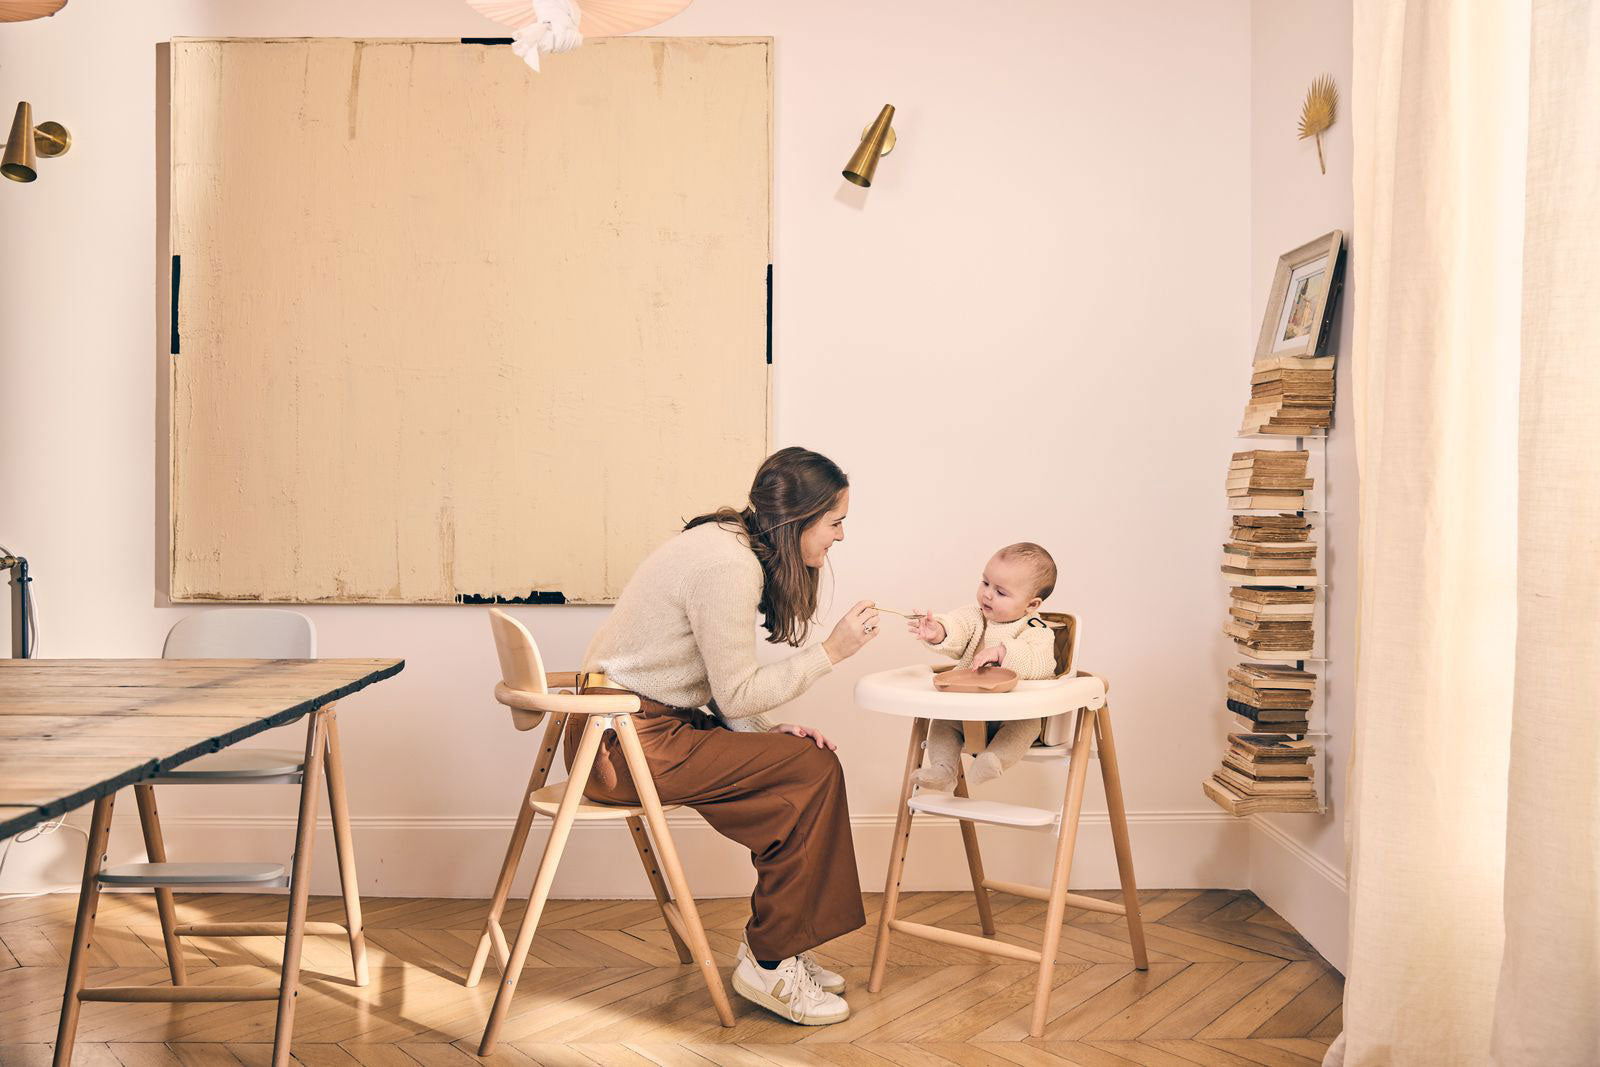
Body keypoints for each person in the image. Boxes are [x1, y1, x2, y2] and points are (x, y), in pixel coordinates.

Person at [575, 446, 879, 1025]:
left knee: (801, 763)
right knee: (812, 770)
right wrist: (832, 652)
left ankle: (778, 946)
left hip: (642, 731)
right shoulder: (727, 565)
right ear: (800, 520)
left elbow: (720, 686)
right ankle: (769, 958)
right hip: (624, 744)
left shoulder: (728, 543)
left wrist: (765, 736)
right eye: (836, 522)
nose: (840, 536)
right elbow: (735, 693)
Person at [907, 542, 1060, 790]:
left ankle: (993, 759)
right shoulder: (976, 616)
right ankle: (943, 769)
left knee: (1027, 725)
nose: (987, 594)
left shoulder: (1035, 629)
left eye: (1001, 592)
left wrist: (1002, 652)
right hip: (969, 711)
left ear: (1031, 605)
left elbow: (1040, 662)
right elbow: (958, 627)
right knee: (943, 722)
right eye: (985, 583)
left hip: (1012, 714)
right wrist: (939, 631)